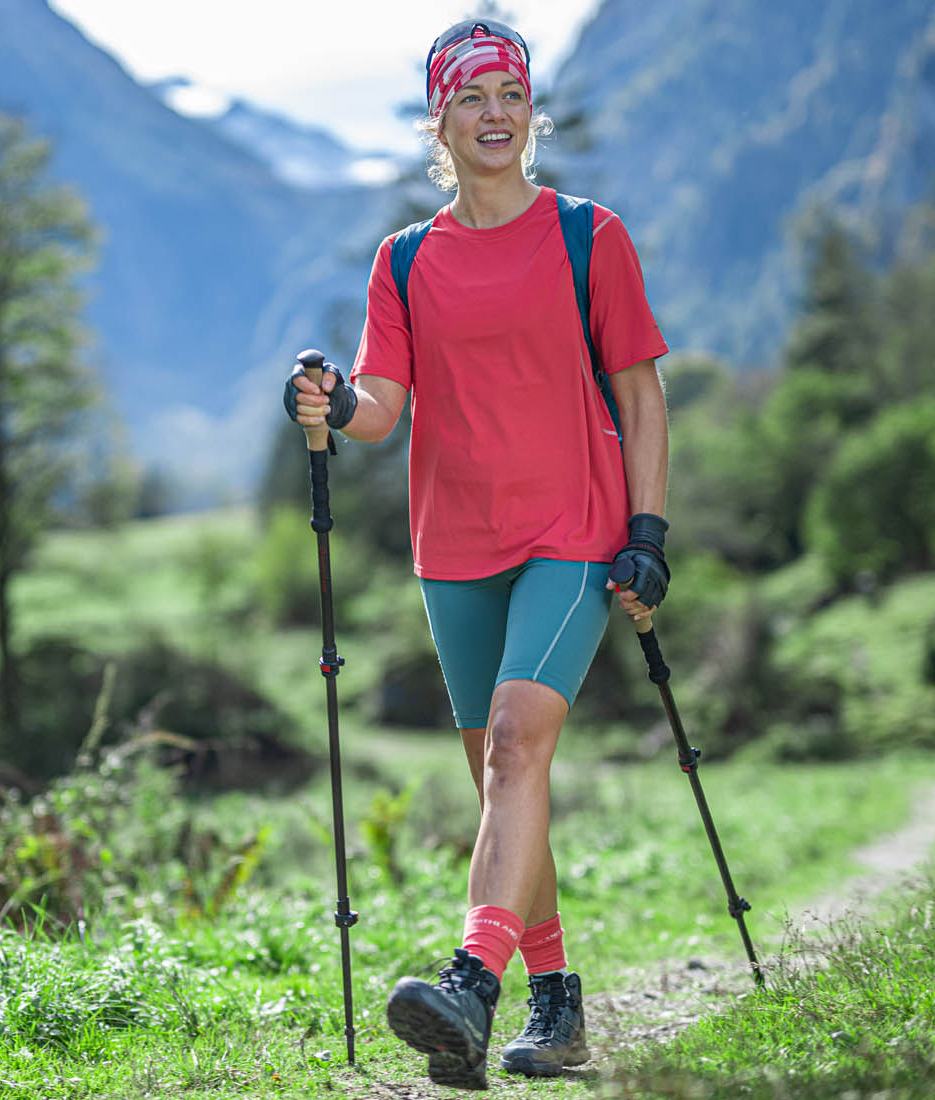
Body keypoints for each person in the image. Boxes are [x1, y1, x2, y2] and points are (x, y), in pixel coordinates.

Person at [284, 17, 671, 1091]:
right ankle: (557, 999)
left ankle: (471, 980)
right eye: (471, 98)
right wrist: (330, 401)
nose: (494, 114)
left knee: (513, 745)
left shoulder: (588, 235)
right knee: (503, 779)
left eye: (510, 93)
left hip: (572, 530)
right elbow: (380, 412)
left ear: (529, 113)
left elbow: (639, 392)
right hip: (452, 545)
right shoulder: (404, 261)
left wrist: (646, 531)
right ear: (438, 123)